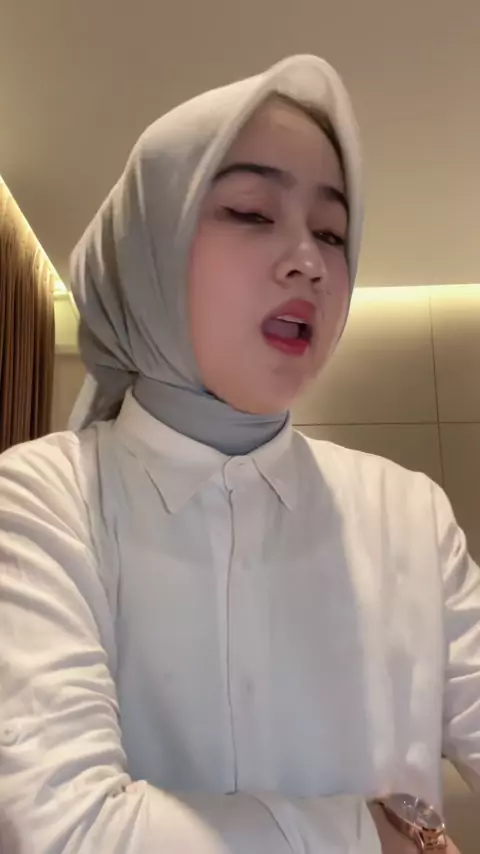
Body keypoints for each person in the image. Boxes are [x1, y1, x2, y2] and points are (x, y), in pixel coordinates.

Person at [0, 53, 476, 854]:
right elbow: (61, 829)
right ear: (149, 249)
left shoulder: (409, 513)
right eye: (253, 212)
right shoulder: (42, 498)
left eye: (333, 231)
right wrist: (374, 835)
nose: (309, 260)